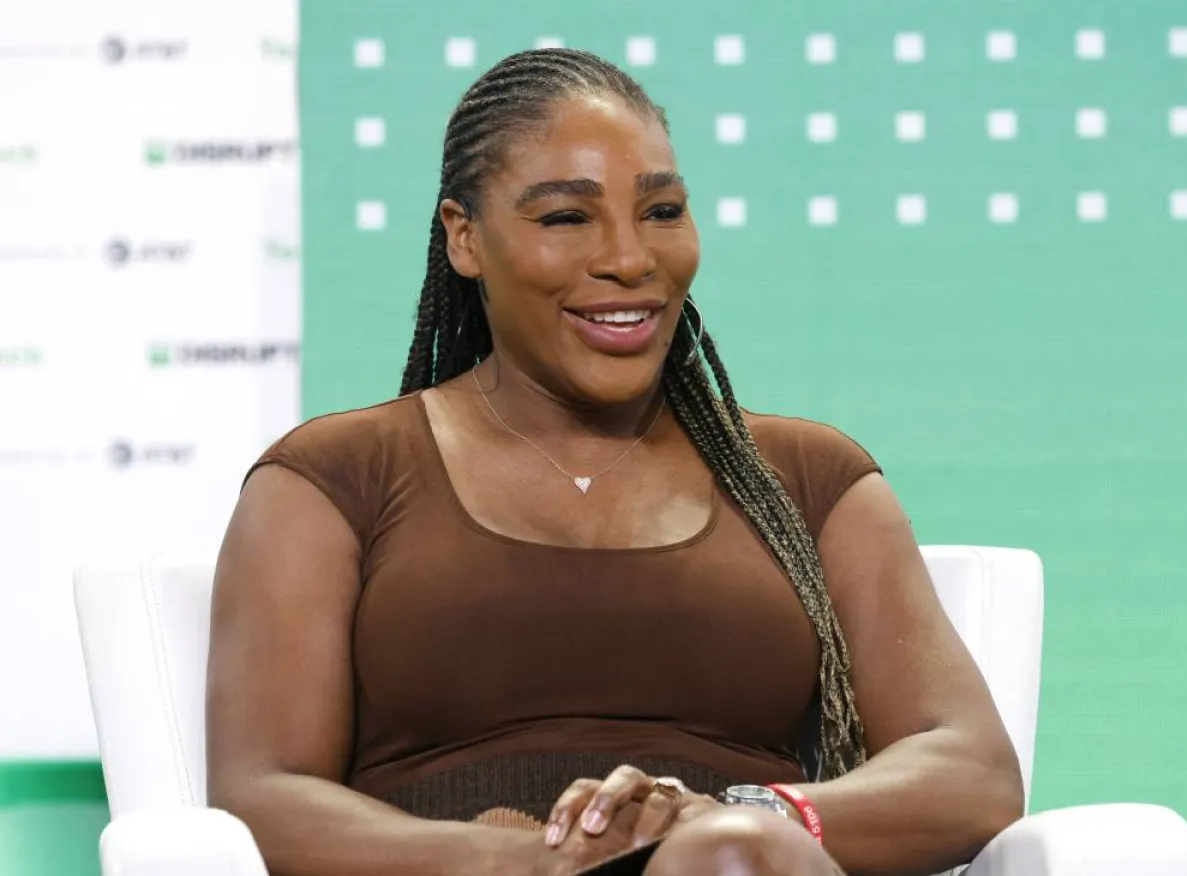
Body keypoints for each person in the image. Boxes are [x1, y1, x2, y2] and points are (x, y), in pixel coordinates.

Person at [206, 48, 1024, 876]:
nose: (630, 258)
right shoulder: (335, 479)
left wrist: (747, 816)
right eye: (567, 218)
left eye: (663, 211)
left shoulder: (811, 480)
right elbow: (261, 797)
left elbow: (970, 771)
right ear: (464, 238)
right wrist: (537, 862)